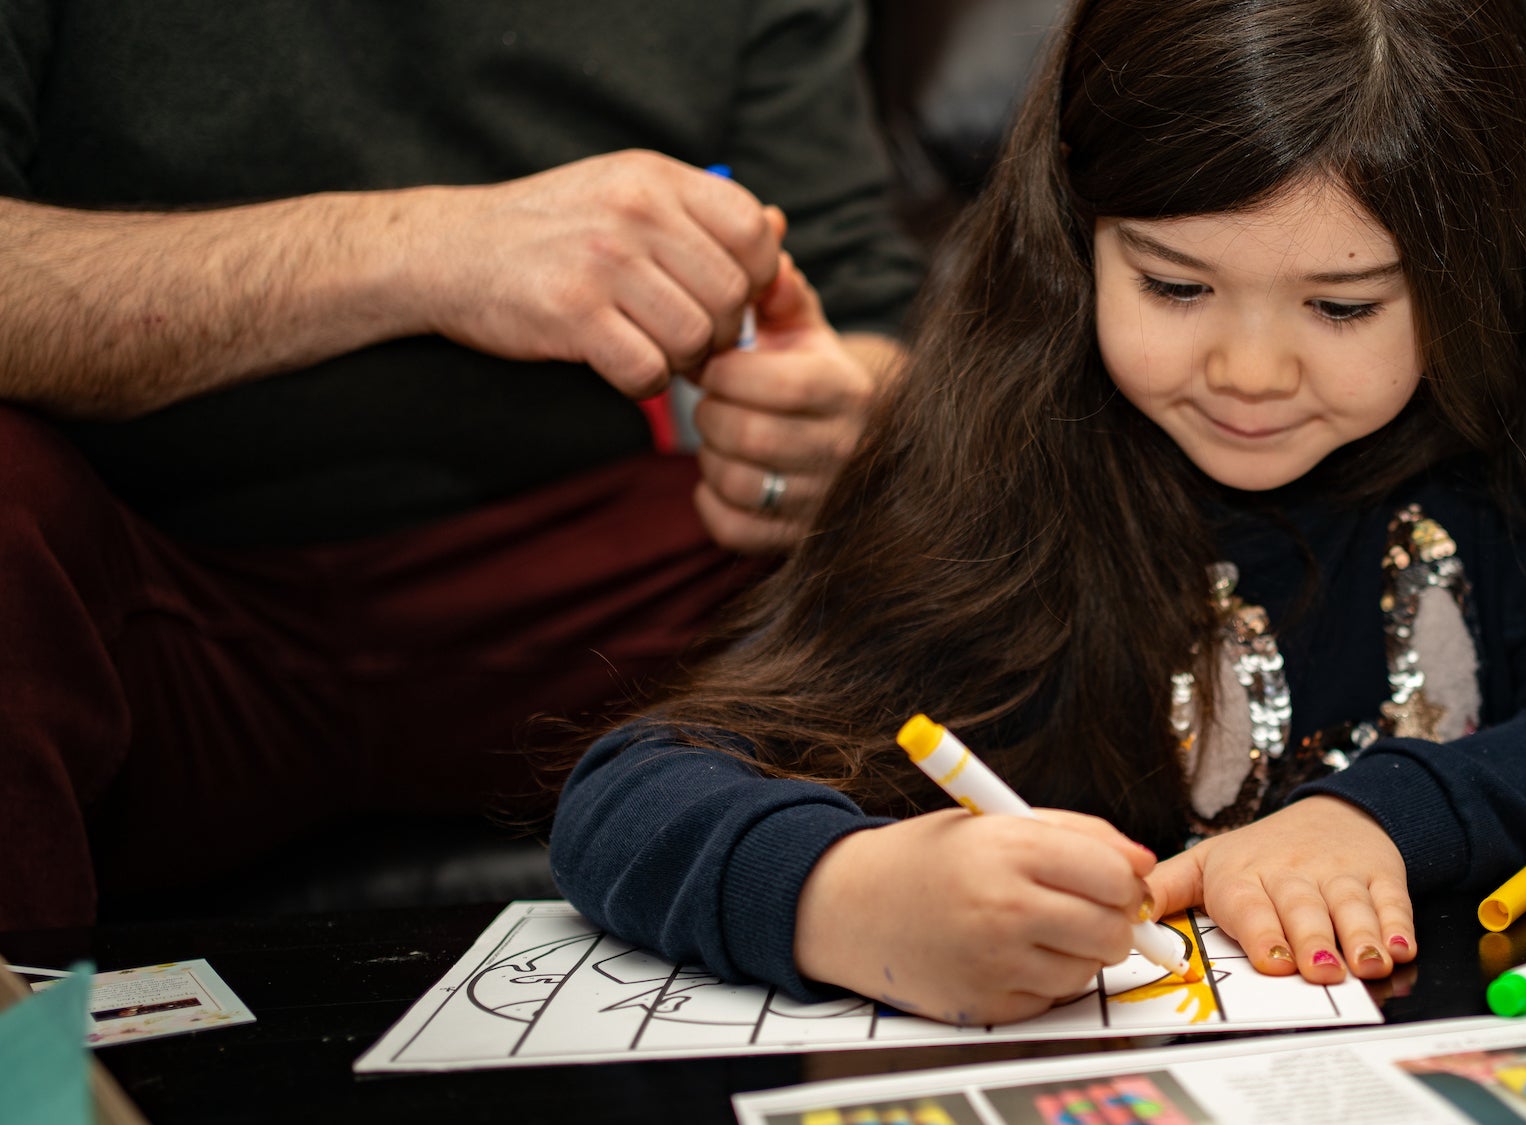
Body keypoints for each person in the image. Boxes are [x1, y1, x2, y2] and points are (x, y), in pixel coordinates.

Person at [550, 0, 1526, 1026]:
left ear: (1472, 274)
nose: (1252, 372)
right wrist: (845, 898)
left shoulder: (1497, 461)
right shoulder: (994, 485)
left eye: (1340, 305)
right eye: (1175, 285)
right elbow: (626, 789)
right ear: (1075, 240)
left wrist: (1387, 816)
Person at [0, 0, 918, 929]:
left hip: (579, 591)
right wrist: (420, 249)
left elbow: (873, 310)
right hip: (138, 591)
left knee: (960, 530)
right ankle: (32, 1074)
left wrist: (842, 416)